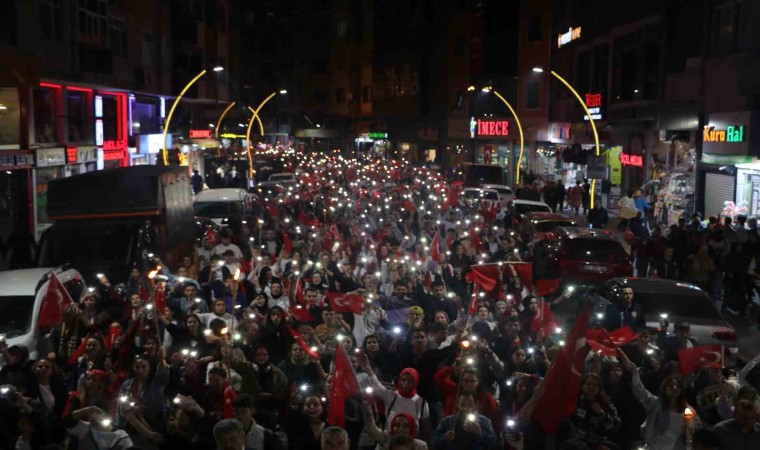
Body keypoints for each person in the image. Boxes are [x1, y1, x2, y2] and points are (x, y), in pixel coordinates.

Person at [430, 391, 497, 450]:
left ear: (476, 405)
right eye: (462, 404)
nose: (466, 408)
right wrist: (444, 437)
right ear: (457, 404)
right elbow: (433, 440)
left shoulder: (484, 421)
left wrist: (479, 432)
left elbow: (493, 441)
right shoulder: (447, 421)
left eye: (470, 405)